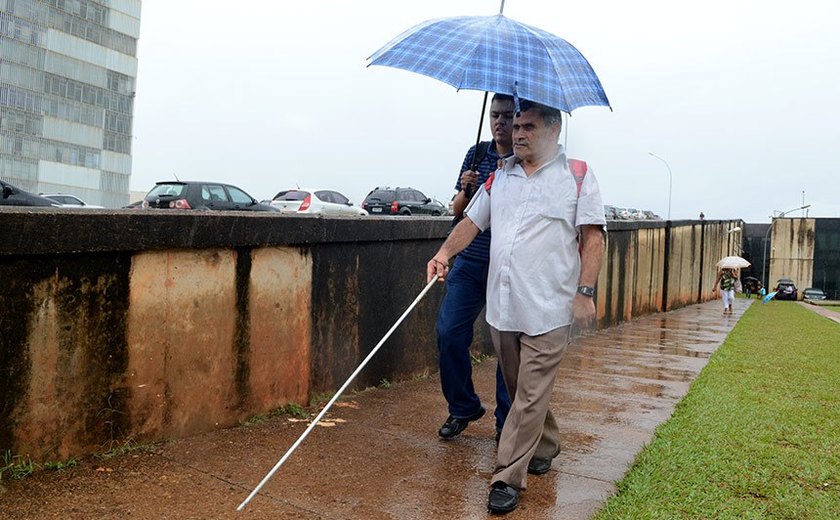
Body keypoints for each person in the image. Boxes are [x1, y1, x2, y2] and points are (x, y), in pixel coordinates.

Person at [426, 98, 606, 514]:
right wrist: (443, 254)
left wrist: (585, 292)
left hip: (550, 307)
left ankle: (507, 475)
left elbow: (594, 238)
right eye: (517, 126)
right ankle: (546, 443)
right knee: (520, 388)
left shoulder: (577, 176)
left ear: (553, 131)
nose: (518, 133)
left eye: (528, 127)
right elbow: (471, 222)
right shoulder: (498, 178)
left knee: (526, 394)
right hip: (504, 308)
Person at [436, 93, 514, 442]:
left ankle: (505, 422)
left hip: (505, 265)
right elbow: (457, 211)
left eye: (508, 116)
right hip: (469, 260)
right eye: (495, 115)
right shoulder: (477, 153)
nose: (500, 122)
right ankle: (463, 406)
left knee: (506, 345)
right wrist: (467, 189)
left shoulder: (521, 161)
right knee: (449, 332)